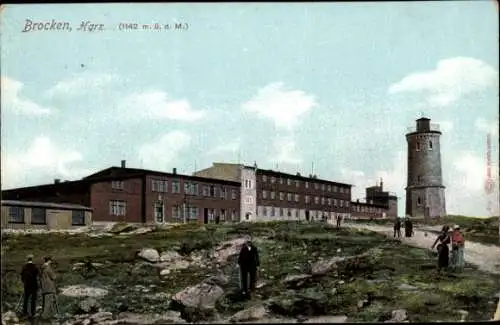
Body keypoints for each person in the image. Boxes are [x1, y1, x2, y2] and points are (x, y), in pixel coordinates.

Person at [20, 254, 39, 318]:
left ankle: (25, 312)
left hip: (27, 285)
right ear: (32, 259)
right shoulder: (35, 267)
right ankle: (33, 313)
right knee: (33, 300)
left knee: (26, 299)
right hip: (34, 285)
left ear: (27, 259)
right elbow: (37, 275)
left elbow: (22, 277)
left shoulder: (24, 267)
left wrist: (24, 282)